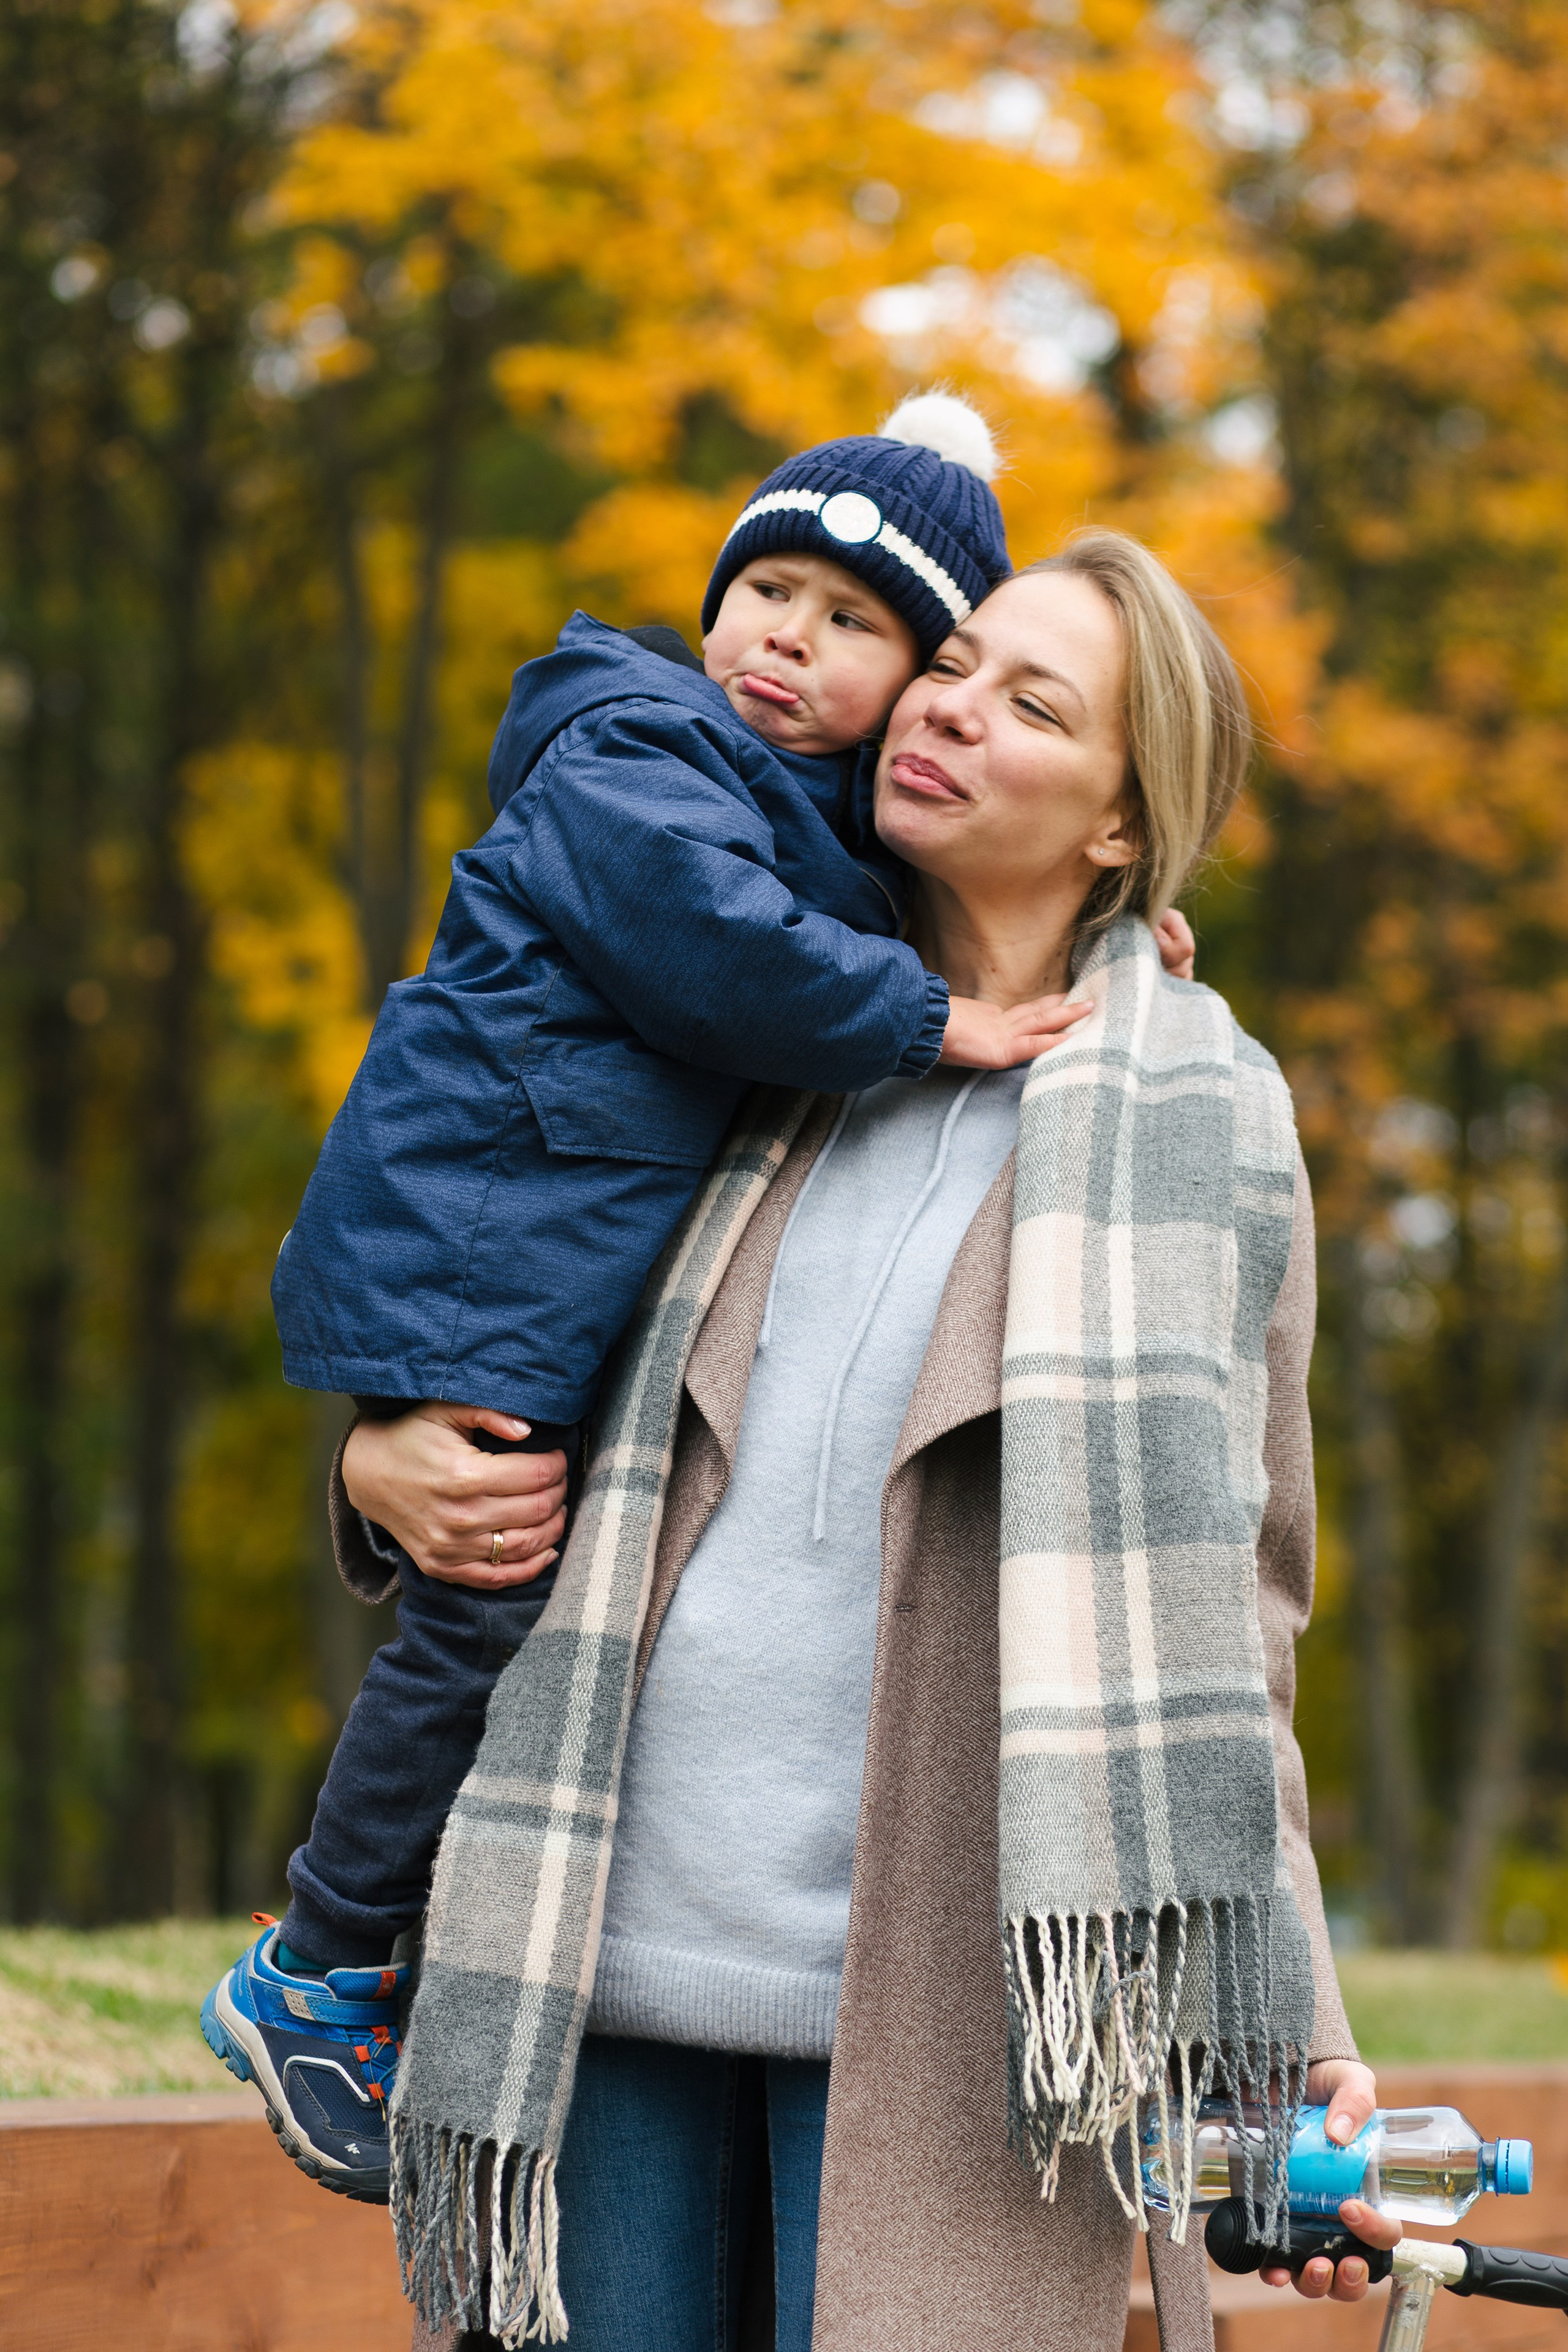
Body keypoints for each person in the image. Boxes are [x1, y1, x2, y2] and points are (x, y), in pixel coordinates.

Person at [334, 530, 1392, 2352]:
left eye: (1032, 704)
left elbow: (1228, 1622)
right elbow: (482, 1274)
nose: (952, 710)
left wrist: (1284, 2050)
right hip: (587, 1967)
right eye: (956, 662)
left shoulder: (1200, 1119)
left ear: (1127, 828)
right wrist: (376, 1469)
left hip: (953, 2017)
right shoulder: (733, 1015)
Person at [201, 386, 1202, 2196]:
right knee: (471, 1622)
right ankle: (323, 1959)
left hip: (888, 1919)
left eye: (860, 630)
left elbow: (1226, 1580)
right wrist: (375, 1462)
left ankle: (344, 1950)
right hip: (493, 1259)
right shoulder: (651, 770)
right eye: (773, 596)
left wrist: (1109, 968)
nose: (794, 646)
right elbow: (730, 949)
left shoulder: (1137, 1089)